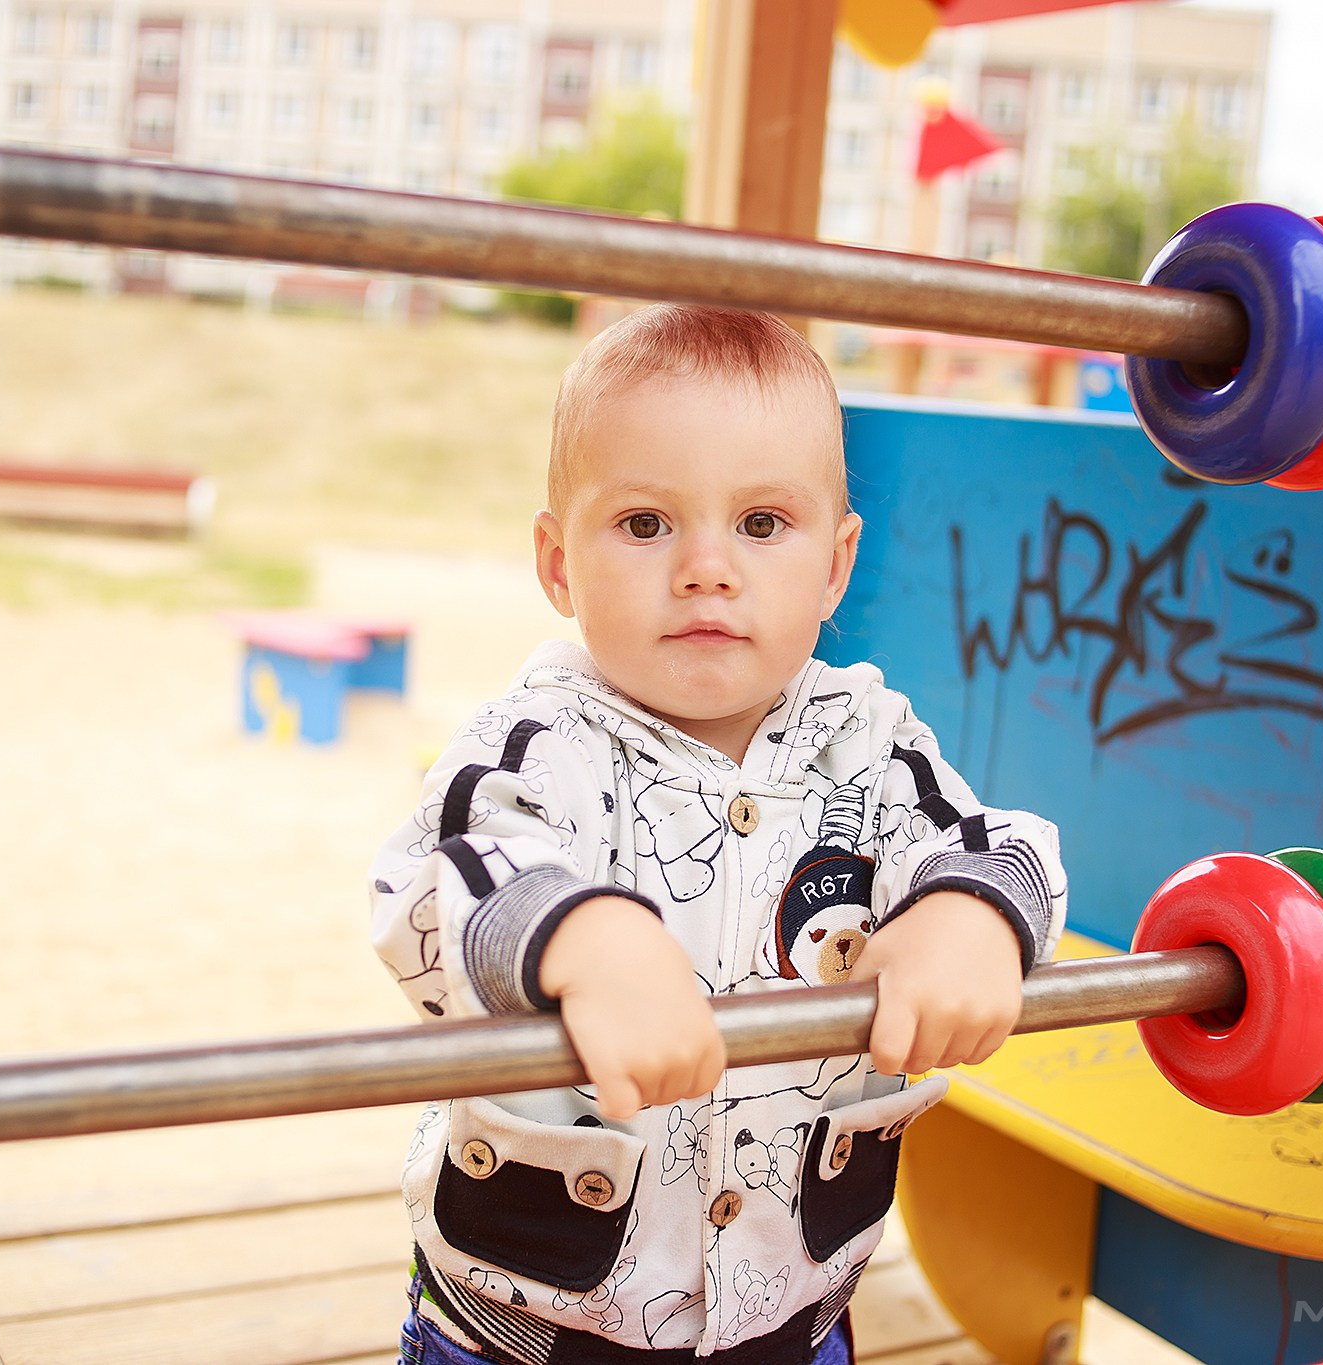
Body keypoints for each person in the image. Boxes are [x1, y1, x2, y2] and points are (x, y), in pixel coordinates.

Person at [371, 304, 1066, 1365]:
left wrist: (965, 915)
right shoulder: (537, 742)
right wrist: (579, 937)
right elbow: (438, 880)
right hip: (528, 1329)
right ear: (558, 564)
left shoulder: (865, 744)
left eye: (759, 524)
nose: (705, 568)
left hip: (791, 1317)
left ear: (835, 566)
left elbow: (991, 843)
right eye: (645, 524)